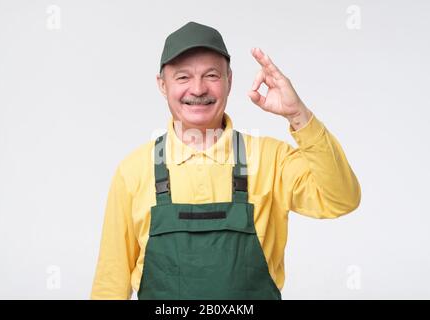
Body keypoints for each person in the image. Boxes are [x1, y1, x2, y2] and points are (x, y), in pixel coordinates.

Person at [91, 21, 361, 300]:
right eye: (183, 77)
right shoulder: (134, 171)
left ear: (229, 80)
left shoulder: (271, 159)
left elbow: (342, 198)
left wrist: (298, 115)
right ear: (162, 85)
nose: (197, 89)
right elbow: (111, 282)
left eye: (211, 75)